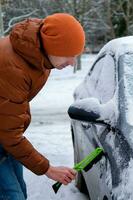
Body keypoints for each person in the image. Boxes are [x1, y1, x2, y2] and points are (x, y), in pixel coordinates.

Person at [0, 13, 85, 199]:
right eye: (69, 55)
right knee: (12, 196)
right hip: (5, 135)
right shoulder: (13, 67)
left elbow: (12, 111)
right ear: (53, 47)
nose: (72, 63)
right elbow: (9, 134)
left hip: (6, 134)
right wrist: (48, 169)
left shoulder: (38, 55)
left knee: (19, 190)